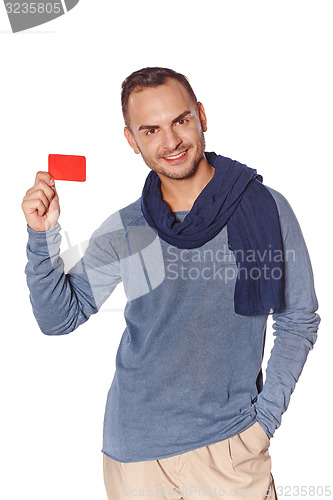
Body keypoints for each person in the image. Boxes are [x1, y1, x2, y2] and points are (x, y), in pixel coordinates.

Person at [22, 67, 320, 500]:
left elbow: (297, 320)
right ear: (132, 140)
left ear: (201, 116)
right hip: (135, 456)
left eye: (180, 120)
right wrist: (41, 236)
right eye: (151, 129)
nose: (171, 141)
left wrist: (263, 423)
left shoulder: (266, 209)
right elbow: (59, 319)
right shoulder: (129, 227)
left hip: (231, 450)